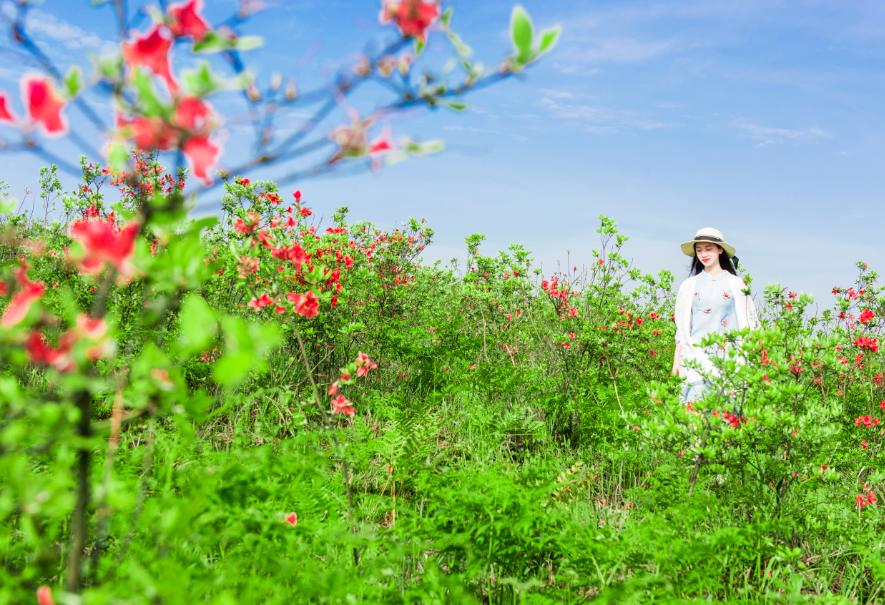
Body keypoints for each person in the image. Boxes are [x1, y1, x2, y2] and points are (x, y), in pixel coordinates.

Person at [671, 227, 759, 403]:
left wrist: (756, 363)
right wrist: (676, 365)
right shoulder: (688, 286)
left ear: (720, 250)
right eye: (699, 250)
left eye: (708, 248)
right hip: (696, 363)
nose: (703, 254)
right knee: (695, 424)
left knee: (727, 423)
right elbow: (681, 330)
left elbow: (752, 324)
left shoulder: (737, 285)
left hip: (730, 365)